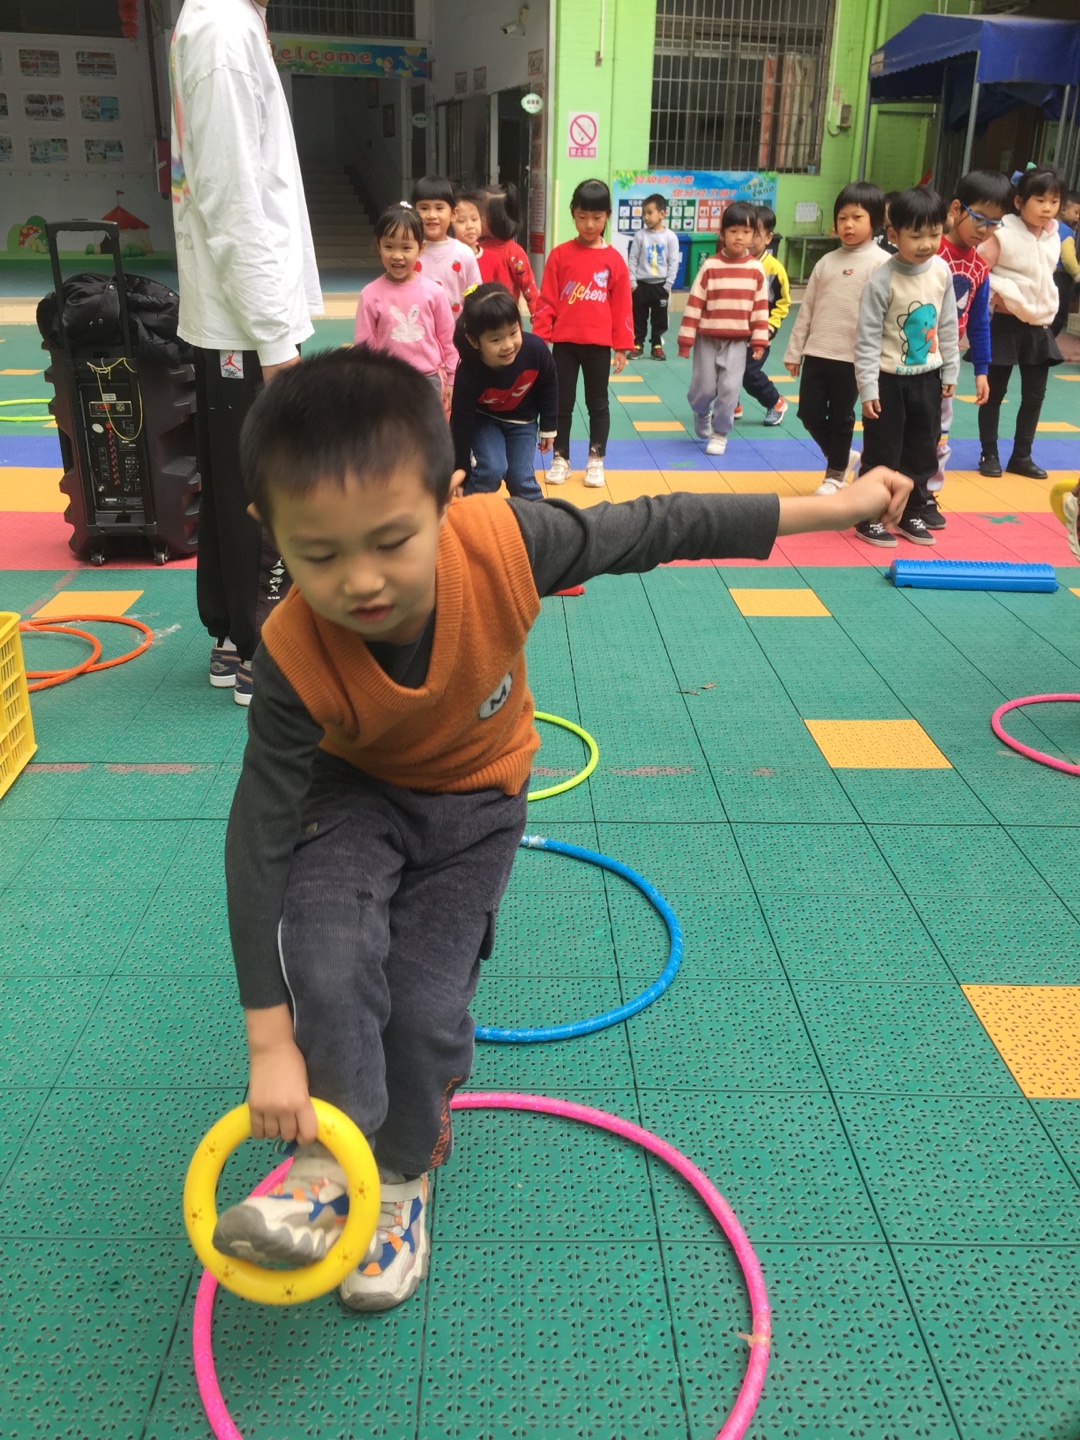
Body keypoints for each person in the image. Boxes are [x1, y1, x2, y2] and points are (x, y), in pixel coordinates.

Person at [210, 344, 913, 1313]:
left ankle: (401, 1176)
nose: (360, 582)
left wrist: (834, 507)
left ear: (447, 498)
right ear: (271, 532)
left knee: (422, 1009)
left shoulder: (503, 543)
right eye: (318, 556)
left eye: (391, 541)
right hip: (353, 795)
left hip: (475, 802)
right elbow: (258, 839)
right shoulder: (291, 654)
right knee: (326, 961)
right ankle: (330, 1166)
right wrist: (268, 1043)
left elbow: (663, 523)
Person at [170, 0, 322, 705]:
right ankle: (264, 647)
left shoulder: (215, 22)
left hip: (235, 315)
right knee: (265, 485)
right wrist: (274, 338)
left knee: (234, 484)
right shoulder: (224, 32)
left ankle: (235, 633)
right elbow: (230, 195)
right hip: (247, 322)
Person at [853, 187, 960, 547]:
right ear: (894, 235)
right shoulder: (881, 280)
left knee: (923, 448)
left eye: (934, 234)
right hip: (888, 381)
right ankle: (869, 515)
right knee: (882, 451)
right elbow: (867, 339)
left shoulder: (942, 272)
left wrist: (950, 371)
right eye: (916, 236)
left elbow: (947, 325)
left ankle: (913, 508)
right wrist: (868, 388)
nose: (927, 244)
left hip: (928, 378)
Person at [783, 181, 889, 496]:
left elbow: (885, 315)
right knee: (808, 413)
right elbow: (807, 309)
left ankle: (835, 474)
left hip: (853, 357)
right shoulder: (826, 262)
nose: (848, 225)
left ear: (874, 220)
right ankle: (840, 455)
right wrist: (794, 352)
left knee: (842, 417)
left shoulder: (881, 263)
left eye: (857, 217)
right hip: (818, 352)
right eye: (842, 218)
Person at [532, 178, 633, 489]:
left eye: (597, 217)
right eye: (582, 216)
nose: (589, 224)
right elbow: (547, 300)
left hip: (598, 347)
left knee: (598, 404)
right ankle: (560, 458)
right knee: (561, 403)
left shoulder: (614, 260)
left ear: (607, 216)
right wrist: (539, 340)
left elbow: (622, 305)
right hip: (563, 344)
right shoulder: (560, 255)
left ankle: (596, 459)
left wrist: (622, 346)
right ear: (572, 214)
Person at [927, 169, 1011, 529]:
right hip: (909, 357)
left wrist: (981, 370)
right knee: (900, 425)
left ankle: (926, 494)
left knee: (939, 431)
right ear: (956, 208)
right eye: (979, 218)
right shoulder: (931, 250)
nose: (985, 230)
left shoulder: (979, 267)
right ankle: (881, 489)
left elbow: (979, 323)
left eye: (994, 224)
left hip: (947, 362)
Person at [976, 167, 1064, 480]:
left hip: (1038, 324)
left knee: (1035, 395)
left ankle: (1021, 456)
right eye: (1039, 200)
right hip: (1004, 323)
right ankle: (989, 453)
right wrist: (998, 294)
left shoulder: (1054, 235)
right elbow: (979, 269)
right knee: (994, 393)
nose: (1047, 208)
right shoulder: (1002, 233)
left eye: (1054, 201)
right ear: (1019, 201)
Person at [676, 201, 769, 457]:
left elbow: (760, 308)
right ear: (722, 233)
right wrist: (686, 340)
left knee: (729, 389)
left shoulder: (756, 270)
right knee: (703, 388)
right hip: (707, 339)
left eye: (746, 232)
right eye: (733, 231)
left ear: (754, 235)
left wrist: (759, 341)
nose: (739, 237)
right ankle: (701, 411)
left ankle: (720, 433)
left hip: (737, 342)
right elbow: (695, 303)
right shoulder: (710, 266)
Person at [450, 282, 557, 500]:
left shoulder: (536, 351)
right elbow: (460, 424)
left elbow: (549, 387)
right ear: (474, 341)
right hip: (485, 420)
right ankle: (470, 511)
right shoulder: (469, 372)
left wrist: (549, 427)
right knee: (491, 470)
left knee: (521, 478)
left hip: (523, 422)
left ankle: (540, 517)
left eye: (513, 332)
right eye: (496, 339)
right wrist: (461, 472)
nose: (508, 345)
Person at [354, 203, 457, 415]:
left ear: (421, 248)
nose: (397, 256)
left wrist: (452, 378)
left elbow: (448, 339)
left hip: (428, 379)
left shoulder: (434, 293)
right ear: (378, 246)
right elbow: (364, 345)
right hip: (387, 380)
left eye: (406, 248)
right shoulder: (370, 294)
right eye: (389, 247)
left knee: (427, 431)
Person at [736, 205, 791, 426]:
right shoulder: (735, 263)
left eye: (755, 233)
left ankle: (775, 401)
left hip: (760, 333)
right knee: (724, 368)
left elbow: (783, 302)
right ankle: (732, 403)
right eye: (746, 231)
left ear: (768, 238)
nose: (748, 239)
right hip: (735, 330)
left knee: (749, 372)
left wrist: (770, 327)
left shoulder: (774, 269)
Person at [410, 175, 481, 320]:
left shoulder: (464, 253)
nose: (431, 215)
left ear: (453, 214)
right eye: (424, 208)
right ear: (413, 212)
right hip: (416, 329)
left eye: (439, 208)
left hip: (456, 330)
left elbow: (475, 294)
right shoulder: (409, 253)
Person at [627, 192, 680, 360]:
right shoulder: (640, 236)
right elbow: (633, 259)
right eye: (644, 213)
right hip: (641, 285)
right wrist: (633, 282)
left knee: (659, 318)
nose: (646, 217)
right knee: (639, 317)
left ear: (662, 214)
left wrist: (668, 284)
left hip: (660, 285)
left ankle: (656, 345)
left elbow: (673, 262)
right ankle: (638, 344)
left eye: (650, 213)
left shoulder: (670, 237)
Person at [474, 185, 538, 316]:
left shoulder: (514, 253)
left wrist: (538, 320)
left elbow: (529, 290)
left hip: (505, 318)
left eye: (477, 216)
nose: (471, 222)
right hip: (479, 318)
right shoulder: (473, 249)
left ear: (496, 220)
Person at [1051, 190, 1079, 338]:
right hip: (1061, 276)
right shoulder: (1067, 232)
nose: (1078, 217)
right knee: (1059, 313)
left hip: (1049, 272)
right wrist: (1077, 273)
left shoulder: (1050, 226)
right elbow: (1068, 258)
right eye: (1076, 212)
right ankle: (1047, 341)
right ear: (1063, 210)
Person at [452, 192, 484, 259]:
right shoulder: (447, 259)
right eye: (461, 221)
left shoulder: (492, 258)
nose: (470, 226)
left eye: (474, 219)